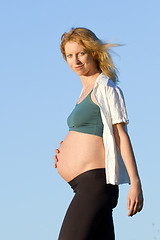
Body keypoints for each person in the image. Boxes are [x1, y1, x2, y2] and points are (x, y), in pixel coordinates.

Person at [54, 27, 144, 240]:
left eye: (81, 53)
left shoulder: (106, 87)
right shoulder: (84, 91)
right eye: (69, 55)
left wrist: (135, 183)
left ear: (93, 52)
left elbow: (121, 135)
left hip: (95, 184)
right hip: (84, 185)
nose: (75, 60)